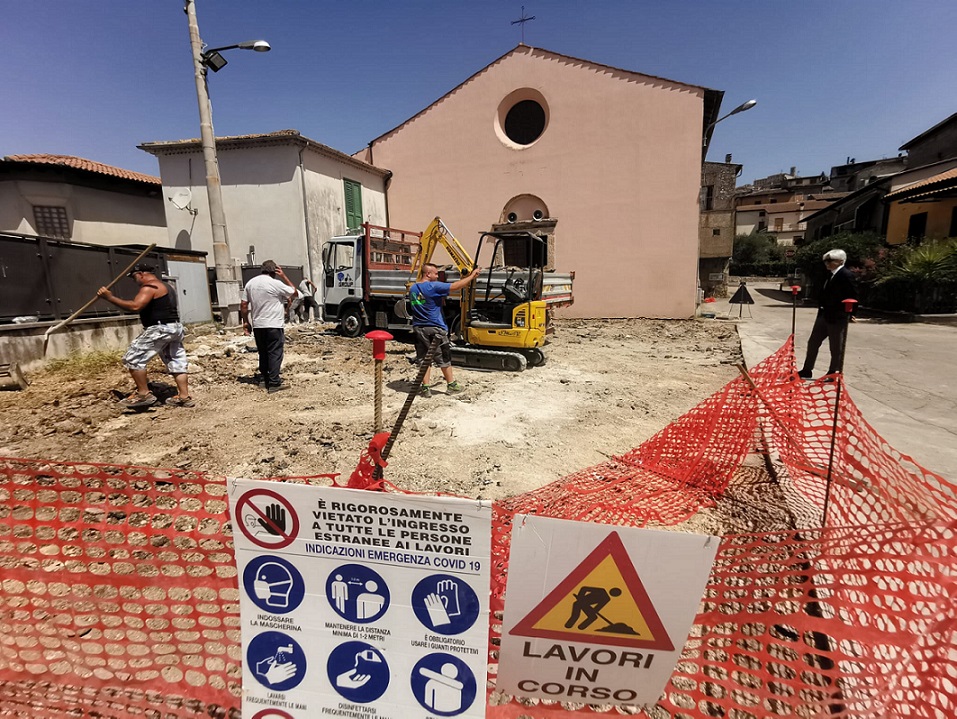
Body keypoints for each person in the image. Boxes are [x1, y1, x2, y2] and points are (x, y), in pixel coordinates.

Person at [96, 263, 193, 408]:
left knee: (133, 358)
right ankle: (184, 397)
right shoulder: (167, 287)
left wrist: (110, 297)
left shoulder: (149, 287)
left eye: (135, 277)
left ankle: (143, 394)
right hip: (174, 327)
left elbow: (136, 306)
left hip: (159, 328)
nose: (135, 281)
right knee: (176, 361)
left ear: (141, 274)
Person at [410, 263, 481, 397]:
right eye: (436, 273)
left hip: (419, 328)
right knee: (443, 357)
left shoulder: (413, 288)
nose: (437, 276)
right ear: (428, 274)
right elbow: (456, 286)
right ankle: (451, 385)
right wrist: (472, 276)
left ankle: (425, 388)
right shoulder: (433, 286)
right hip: (435, 328)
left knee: (424, 359)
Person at [798, 249, 858, 379]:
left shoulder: (846, 275)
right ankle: (807, 369)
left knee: (836, 346)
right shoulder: (829, 274)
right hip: (824, 314)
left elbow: (853, 294)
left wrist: (852, 312)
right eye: (826, 261)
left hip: (837, 316)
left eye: (830, 261)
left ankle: (833, 372)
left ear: (840, 261)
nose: (827, 263)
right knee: (813, 342)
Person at [240, 260, 296, 393]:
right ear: (274, 272)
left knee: (263, 352)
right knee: (275, 353)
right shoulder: (276, 283)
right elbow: (295, 293)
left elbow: (243, 305)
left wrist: (246, 322)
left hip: (258, 325)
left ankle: (264, 379)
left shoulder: (250, 283)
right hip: (274, 324)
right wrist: (284, 276)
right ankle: (274, 383)